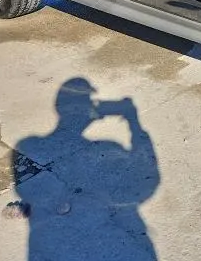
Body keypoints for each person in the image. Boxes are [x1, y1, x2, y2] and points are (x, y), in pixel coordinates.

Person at [14, 78, 160, 260]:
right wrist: (133, 120)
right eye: (88, 103)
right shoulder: (107, 149)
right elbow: (147, 181)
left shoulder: (30, 147)